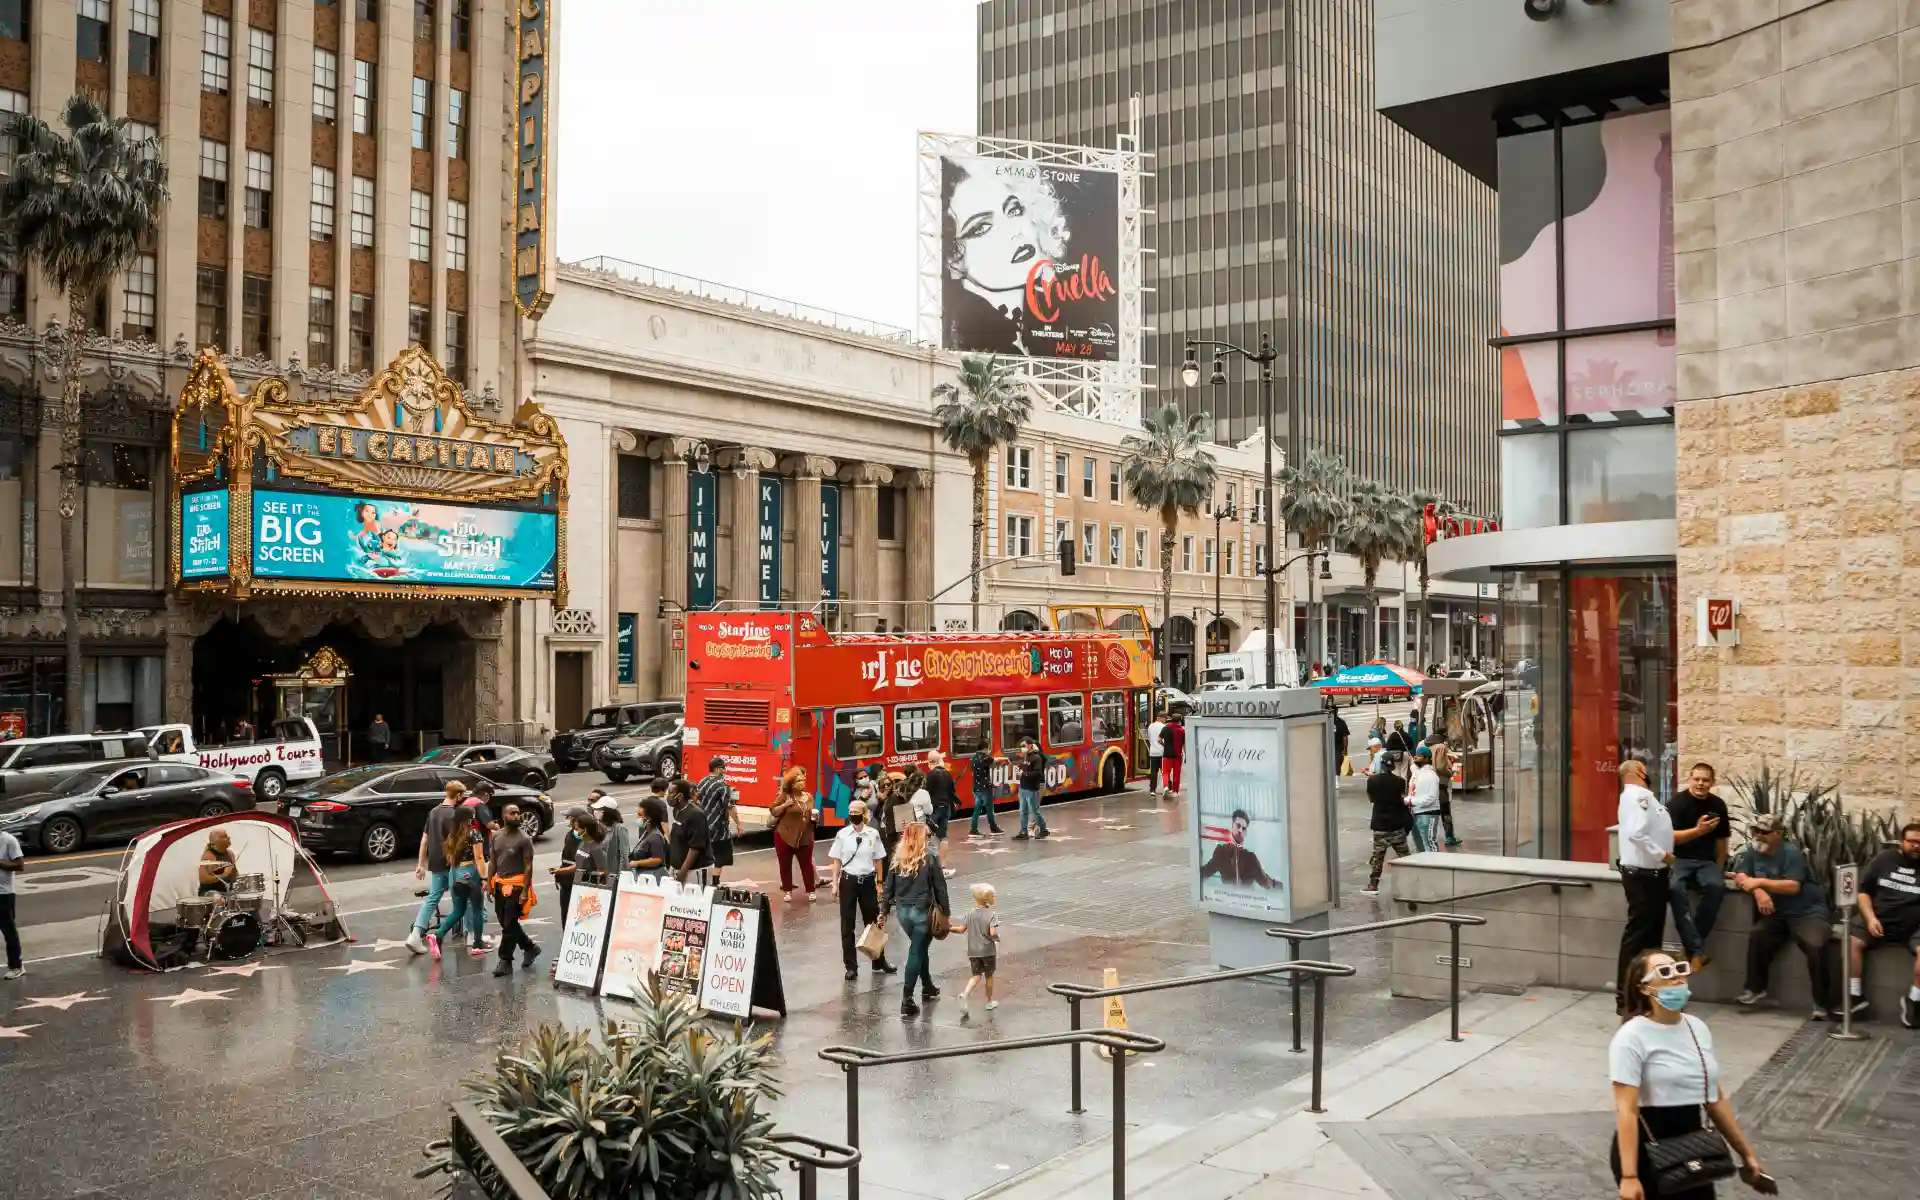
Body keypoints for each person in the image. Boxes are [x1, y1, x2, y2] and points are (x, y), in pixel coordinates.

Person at [1610, 949, 1768, 1200]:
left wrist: (1746, 1153)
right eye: (1664, 972)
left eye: (1679, 969)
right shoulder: (1631, 1037)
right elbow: (1627, 1111)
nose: (1676, 977)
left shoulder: (1697, 1028)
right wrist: (1630, 1177)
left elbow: (1714, 1100)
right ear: (1644, 988)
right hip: (1647, 1148)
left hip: (1692, 1146)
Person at [1730, 815, 1833, 1018]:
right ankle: (1755, 989)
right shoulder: (1750, 851)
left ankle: (1821, 1004)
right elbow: (1741, 876)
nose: (1759, 836)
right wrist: (1759, 893)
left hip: (1806, 912)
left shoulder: (1791, 853)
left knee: (1816, 945)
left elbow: (1793, 886)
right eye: (1756, 831)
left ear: (1777, 834)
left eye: (1765, 832)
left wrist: (1759, 883)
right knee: (1758, 936)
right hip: (1777, 913)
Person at [1615, 759, 1675, 1014]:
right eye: (1645, 769)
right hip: (1644, 875)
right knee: (1640, 936)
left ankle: (1645, 990)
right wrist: (1661, 854)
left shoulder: (1641, 797)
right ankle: (1626, 996)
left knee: (1650, 937)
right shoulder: (1638, 796)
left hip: (1653, 875)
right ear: (1638, 772)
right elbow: (1636, 833)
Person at [1847, 820, 1920, 1026]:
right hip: (1879, 919)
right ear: (1901, 842)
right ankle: (1855, 998)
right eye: (1911, 841)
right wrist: (1870, 918)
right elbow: (1863, 892)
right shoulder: (1885, 859)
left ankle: (1914, 1001)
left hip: (1915, 926)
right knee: (1851, 941)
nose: (1916, 846)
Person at [881, 822, 951, 1017]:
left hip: (903, 912)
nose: (929, 839)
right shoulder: (930, 857)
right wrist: (946, 912)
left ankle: (927, 985)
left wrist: (883, 910)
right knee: (916, 951)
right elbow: (940, 887)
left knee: (919, 949)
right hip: (923, 911)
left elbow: (888, 887)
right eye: (928, 836)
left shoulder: (898, 857)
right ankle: (907, 998)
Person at [1667, 763, 1730, 970]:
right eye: (1697, 779)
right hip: (1681, 860)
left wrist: (1718, 868)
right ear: (1690, 778)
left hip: (1706, 862)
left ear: (1712, 782)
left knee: (1716, 887)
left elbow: (1722, 841)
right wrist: (1698, 831)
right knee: (1675, 889)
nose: (1700, 783)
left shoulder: (1718, 805)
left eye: (1705, 780)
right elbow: (1670, 839)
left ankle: (1691, 949)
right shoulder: (1676, 803)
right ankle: (1696, 951)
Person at [827, 799, 896, 979]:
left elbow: (879, 859)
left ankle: (879, 961)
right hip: (848, 881)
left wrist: (880, 883)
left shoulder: (872, 834)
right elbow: (836, 861)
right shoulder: (842, 834)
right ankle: (851, 966)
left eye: (857, 811)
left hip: (867, 882)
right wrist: (834, 884)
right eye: (850, 811)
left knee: (873, 923)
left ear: (864, 814)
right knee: (847, 925)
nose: (853, 815)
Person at [408, 781, 468, 955]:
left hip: (435, 862)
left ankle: (415, 933)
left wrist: (421, 865)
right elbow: (458, 841)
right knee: (466, 898)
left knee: (432, 898)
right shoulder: (456, 815)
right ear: (457, 796)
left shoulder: (433, 812)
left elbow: (424, 840)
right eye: (462, 796)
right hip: (453, 863)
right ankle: (471, 934)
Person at [486, 803, 540, 977]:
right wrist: (489, 883)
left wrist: (525, 891)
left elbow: (528, 866)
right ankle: (530, 947)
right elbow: (493, 861)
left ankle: (505, 960)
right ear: (504, 816)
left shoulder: (524, 839)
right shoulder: (496, 836)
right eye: (512, 813)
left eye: (518, 813)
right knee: (505, 921)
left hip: (516, 885)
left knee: (509, 923)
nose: (517, 816)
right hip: (500, 884)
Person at [430, 805, 489, 960]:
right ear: (470, 819)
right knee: (477, 909)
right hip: (470, 874)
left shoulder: (452, 836)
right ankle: (477, 944)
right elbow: (479, 857)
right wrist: (484, 878)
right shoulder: (474, 834)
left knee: (458, 910)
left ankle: (438, 935)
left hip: (455, 875)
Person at [769, 766, 819, 902]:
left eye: (803, 780)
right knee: (785, 864)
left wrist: (815, 818)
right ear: (791, 784)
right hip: (785, 835)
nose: (802, 783)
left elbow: (810, 814)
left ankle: (811, 890)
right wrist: (785, 805)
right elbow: (773, 810)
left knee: (807, 865)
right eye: (798, 781)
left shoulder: (809, 797)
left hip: (805, 836)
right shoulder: (785, 796)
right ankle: (787, 891)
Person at [1364, 754, 1412, 895]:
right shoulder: (1400, 781)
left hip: (1380, 825)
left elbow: (1371, 799)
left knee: (1378, 857)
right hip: (1397, 824)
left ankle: (1373, 885)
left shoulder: (1372, 781)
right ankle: (1411, 881)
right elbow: (1402, 798)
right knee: (1404, 855)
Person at [1198, 810, 1280, 889]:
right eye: (1238, 826)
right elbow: (1204, 874)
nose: (1240, 830)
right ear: (1232, 826)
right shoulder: (1221, 853)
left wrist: (1285, 887)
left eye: (1244, 828)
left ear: (1246, 833)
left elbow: (1267, 884)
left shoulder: (1250, 859)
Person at [695, 757, 741, 885]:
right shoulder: (722, 785)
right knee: (719, 858)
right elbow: (730, 807)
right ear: (716, 769)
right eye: (722, 768)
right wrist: (738, 823)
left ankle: (703, 884)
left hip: (703, 825)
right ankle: (715, 884)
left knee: (705, 856)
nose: (724, 771)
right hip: (718, 829)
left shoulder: (702, 782)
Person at [960, 882, 1002, 1015]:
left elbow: (961, 929)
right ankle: (989, 1002)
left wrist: (948, 928)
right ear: (987, 898)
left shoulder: (970, 913)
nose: (994, 898)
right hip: (988, 951)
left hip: (973, 951)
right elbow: (993, 933)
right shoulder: (991, 914)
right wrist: (996, 938)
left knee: (976, 976)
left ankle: (965, 994)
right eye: (993, 896)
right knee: (989, 976)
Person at [666, 784, 711, 886]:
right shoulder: (677, 811)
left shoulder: (696, 814)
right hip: (677, 870)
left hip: (693, 872)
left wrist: (683, 872)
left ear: (680, 797)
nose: (668, 796)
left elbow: (695, 847)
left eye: (671, 793)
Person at [1408, 747, 1445, 853]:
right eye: (1416, 755)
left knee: (1429, 843)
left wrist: (1412, 802)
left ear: (1427, 758)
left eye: (1420, 756)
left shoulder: (1431, 775)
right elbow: (1413, 791)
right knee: (1418, 843)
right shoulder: (1416, 773)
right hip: (1415, 812)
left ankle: (1434, 865)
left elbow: (1431, 797)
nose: (1416, 757)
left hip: (1428, 813)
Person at [923, 750, 958, 859]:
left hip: (934, 809)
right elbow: (952, 791)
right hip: (946, 807)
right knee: (943, 838)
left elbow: (926, 792)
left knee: (928, 834)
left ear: (930, 762)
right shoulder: (947, 774)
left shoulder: (930, 775)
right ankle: (943, 866)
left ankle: (932, 864)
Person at [592, 792, 631, 884]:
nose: (596, 811)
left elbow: (624, 856)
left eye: (599, 809)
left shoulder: (619, 828)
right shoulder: (603, 828)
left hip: (615, 878)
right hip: (605, 876)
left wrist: (621, 878)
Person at [1014, 739, 1050, 839]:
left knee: (1034, 811)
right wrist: (1019, 771)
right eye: (1021, 746)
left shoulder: (1036, 758)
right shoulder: (1024, 757)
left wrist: (1023, 773)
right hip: (1023, 787)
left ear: (1030, 746)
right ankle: (1023, 832)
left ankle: (1043, 828)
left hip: (1032, 788)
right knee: (1023, 811)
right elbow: (1024, 770)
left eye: (1024, 745)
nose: (1022, 748)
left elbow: (1037, 773)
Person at [1429, 734, 1460, 845]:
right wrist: (1450, 772)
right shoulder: (1440, 747)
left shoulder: (1423, 745)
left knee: (1430, 811)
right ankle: (1449, 836)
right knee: (1445, 811)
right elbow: (1440, 766)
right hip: (1441, 783)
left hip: (1429, 783)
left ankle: (1430, 836)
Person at [630, 796, 671, 879]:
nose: (637, 818)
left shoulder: (655, 836)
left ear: (649, 818)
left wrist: (637, 863)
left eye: (640, 815)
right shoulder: (647, 832)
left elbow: (658, 859)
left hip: (653, 878)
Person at [967, 745, 1003, 835]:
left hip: (976, 788)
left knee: (977, 809)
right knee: (989, 808)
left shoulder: (973, 758)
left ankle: (973, 829)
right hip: (985, 788)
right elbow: (996, 761)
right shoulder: (985, 757)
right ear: (984, 749)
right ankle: (993, 827)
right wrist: (998, 759)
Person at [0, 825, 20, 979]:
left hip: (4, 894)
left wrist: (1, 863)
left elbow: (19, 865)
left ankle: (16, 966)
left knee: (9, 932)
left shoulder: (8, 840)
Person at [198, 830, 239, 895]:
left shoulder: (230, 853)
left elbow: (235, 874)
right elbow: (203, 879)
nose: (228, 838)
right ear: (215, 842)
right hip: (210, 892)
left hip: (228, 890)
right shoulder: (208, 855)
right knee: (218, 899)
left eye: (227, 836)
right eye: (224, 836)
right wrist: (224, 874)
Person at [1160, 716, 1187, 795]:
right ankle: (1175, 791)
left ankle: (1166, 787)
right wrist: (1186, 755)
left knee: (1165, 772)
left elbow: (1159, 739)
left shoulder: (1166, 728)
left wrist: (1164, 745)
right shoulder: (1182, 730)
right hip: (1177, 755)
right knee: (1176, 773)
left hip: (1167, 754)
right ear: (1179, 721)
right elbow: (1184, 745)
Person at [1146, 713, 1167, 798]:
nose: (1165, 720)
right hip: (1161, 752)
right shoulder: (1163, 727)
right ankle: (1166, 788)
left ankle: (1152, 790)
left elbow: (1150, 738)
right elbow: (1163, 739)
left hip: (1153, 752)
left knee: (1153, 772)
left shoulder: (1150, 726)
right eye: (1165, 718)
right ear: (1161, 718)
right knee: (1164, 772)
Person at [1331, 707, 1350, 772]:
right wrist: (1345, 749)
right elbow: (1345, 737)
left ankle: (1336, 780)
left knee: (1335, 768)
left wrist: (1345, 749)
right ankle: (1336, 780)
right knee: (1337, 768)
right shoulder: (1341, 722)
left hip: (1335, 748)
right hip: (1338, 749)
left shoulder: (1327, 721)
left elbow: (1345, 737)